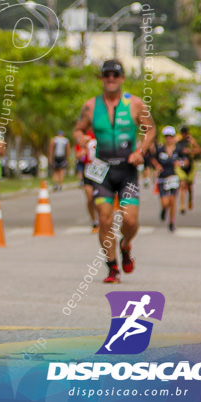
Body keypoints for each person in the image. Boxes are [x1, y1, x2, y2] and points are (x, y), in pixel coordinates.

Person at [73, 60, 154, 284]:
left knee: (129, 220)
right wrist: (83, 139)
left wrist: (141, 151)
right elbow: (78, 130)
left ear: (122, 78)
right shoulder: (91, 106)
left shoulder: (135, 104)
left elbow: (150, 129)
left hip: (127, 170)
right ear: (101, 78)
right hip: (102, 170)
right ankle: (112, 268)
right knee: (105, 219)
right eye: (106, 74)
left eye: (115, 75)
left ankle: (126, 245)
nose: (111, 78)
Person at [147, 126, 183, 233]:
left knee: (172, 201)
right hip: (163, 179)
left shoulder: (178, 149)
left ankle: (172, 222)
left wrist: (180, 163)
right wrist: (157, 166)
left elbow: (185, 160)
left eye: (170, 136)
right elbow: (151, 158)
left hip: (174, 177)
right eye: (167, 136)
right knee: (165, 202)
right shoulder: (160, 149)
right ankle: (164, 209)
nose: (169, 139)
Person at [176, 125, 200, 214]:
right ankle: (182, 205)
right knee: (182, 184)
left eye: (185, 133)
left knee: (189, 186)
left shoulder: (191, 142)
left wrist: (189, 150)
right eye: (182, 133)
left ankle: (190, 200)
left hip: (190, 166)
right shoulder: (178, 141)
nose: (183, 134)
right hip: (181, 166)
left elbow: (198, 150)